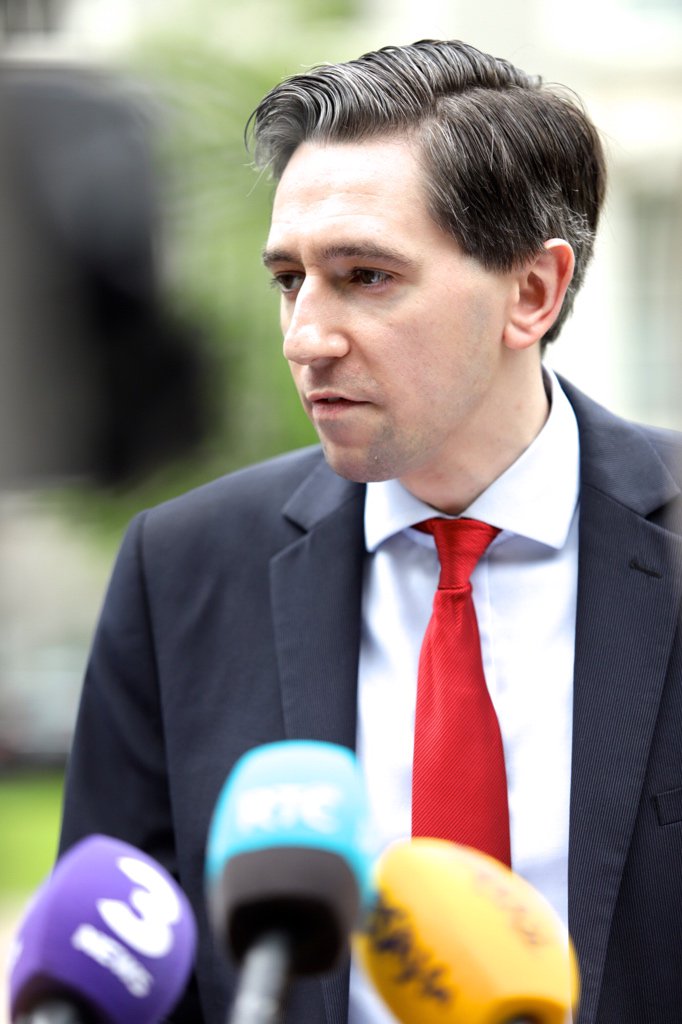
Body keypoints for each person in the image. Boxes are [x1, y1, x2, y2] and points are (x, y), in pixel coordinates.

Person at [58, 39, 682, 1024]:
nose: (306, 336)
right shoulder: (181, 568)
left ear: (531, 292)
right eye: (289, 279)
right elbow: (121, 969)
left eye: (365, 275)